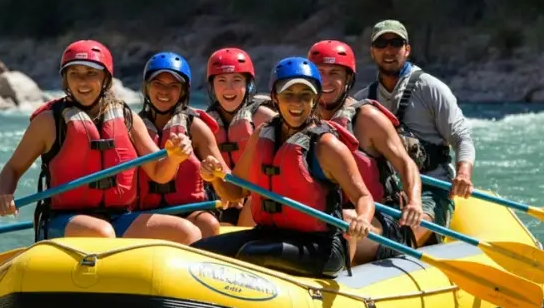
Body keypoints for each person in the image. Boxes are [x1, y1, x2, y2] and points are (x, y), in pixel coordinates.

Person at [193, 57, 402, 279]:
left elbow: (363, 197)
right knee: (198, 251)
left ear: (315, 100)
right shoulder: (262, 135)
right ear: (275, 97)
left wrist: (363, 218)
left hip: (321, 248)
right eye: (288, 95)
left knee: (252, 254)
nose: (296, 103)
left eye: (305, 96)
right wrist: (215, 177)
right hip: (270, 234)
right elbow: (234, 192)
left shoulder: (326, 145)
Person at [0, 40, 202, 245]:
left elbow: (159, 173)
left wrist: (174, 159)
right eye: (74, 74)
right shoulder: (49, 122)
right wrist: (4, 194)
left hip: (117, 219)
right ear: (65, 80)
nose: (82, 81)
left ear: (106, 79)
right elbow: (12, 168)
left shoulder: (127, 118)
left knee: (188, 232)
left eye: (91, 73)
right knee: (101, 233)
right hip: (63, 220)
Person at [355, 20, 475, 241]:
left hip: (432, 190)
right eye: (381, 44)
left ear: (407, 49)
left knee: (402, 237)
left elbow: (461, 137)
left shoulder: (431, 89)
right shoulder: (363, 100)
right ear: (372, 51)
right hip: (386, 193)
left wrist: (464, 174)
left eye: (396, 43)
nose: (389, 50)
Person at [308, 40, 424, 262]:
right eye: (320, 73)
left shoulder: (367, 118)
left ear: (348, 78)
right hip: (328, 215)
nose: (326, 81)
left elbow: (405, 164)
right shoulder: (303, 120)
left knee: (340, 219)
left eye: (335, 73)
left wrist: (414, 202)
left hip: (382, 221)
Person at [135, 52, 227, 238]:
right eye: (157, 84)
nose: (164, 91)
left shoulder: (196, 128)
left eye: (173, 86)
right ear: (146, 88)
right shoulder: (133, 127)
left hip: (189, 211)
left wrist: (216, 176)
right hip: (144, 213)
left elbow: (225, 176)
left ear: (183, 91)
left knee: (208, 223)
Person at [205, 47, 276, 225]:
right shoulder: (204, 123)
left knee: (253, 202)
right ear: (212, 86)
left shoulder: (265, 118)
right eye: (221, 80)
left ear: (248, 84)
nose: (229, 88)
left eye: (237, 80)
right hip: (221, 198)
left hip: (259, 198)